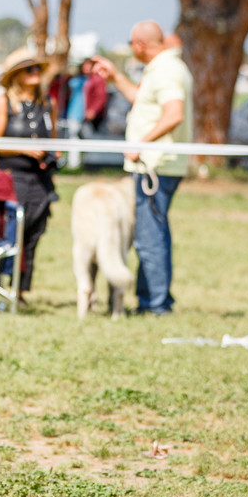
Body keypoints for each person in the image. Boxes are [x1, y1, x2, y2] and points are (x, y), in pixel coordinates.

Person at [92, 20, 193, 316]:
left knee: (150, 236)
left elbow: (174, 113)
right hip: (155, 165)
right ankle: (153, 299)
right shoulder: (162, 68)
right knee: (151, 233)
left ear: (140, 45)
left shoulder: (167, 70)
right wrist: (115, 77)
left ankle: (156, 305)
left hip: (156, 167)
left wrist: (142, 144)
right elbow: (142, 101)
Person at [0, 48, 57, 308]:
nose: (35, 73)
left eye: (37, 68)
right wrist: (23, 148)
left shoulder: (47, 103)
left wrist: (52, 153)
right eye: (29, 69)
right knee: (5, 232)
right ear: (16, 75)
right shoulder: (4, 102)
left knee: (33, 234)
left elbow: (53, 137)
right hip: (12, 177)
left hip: (41, 178)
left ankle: (20, 290)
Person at [64, 62, 89, 169]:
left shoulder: (91, 80)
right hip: (75, 113)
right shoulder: (75, 81)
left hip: (88, 115)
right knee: (74, 139)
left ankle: (85, 163)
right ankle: (73, 164)